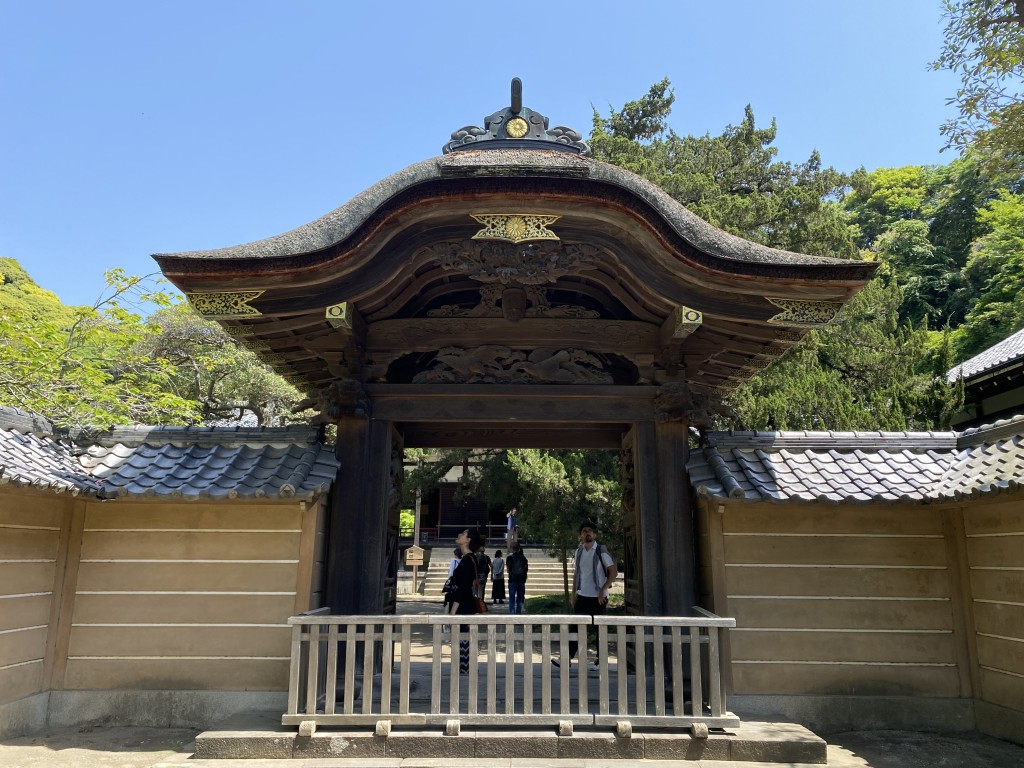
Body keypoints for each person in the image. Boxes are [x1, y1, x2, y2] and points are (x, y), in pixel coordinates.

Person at [553, 520, 617, 671]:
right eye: (584, 531)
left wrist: (603, 589)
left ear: (594, 534)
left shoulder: (601, 551)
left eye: (590, 531)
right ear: (581, 535)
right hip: (582, 595)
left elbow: (613, 572)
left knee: (599, 630)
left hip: (598, 598)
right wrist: (573, 594)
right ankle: (567, 659)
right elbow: (577, 573)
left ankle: (601, 662)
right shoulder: (579, 551)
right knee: (575, 628)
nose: (587, 533)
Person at [449, 528, 485, 672]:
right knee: (463, 637)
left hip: (463, 606)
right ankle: (464, 666)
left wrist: (453, 611)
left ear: (468, 540)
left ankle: (465, 667)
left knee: (462, 637)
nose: (459, 534)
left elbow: (463, 587)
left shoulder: (468, 560)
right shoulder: (468, 558)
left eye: (463, 534)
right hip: (464, 604)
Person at [505, 538, 528, 614]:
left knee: (511, 598)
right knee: (519, 598)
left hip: (512, 580)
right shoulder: (523, 558)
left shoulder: (509, 558)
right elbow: (525, 570)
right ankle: (518, 613)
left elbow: (508, 570)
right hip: (521, 580)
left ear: (512, 549)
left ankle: (512, 613)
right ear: (519, 548)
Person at [442, 546, 461, 612]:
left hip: (454, 581)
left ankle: (451, 610)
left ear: (455, 554)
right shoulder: (464, 561)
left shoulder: (454, 561)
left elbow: (451, 573)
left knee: (452, 596)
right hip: (461, 581)